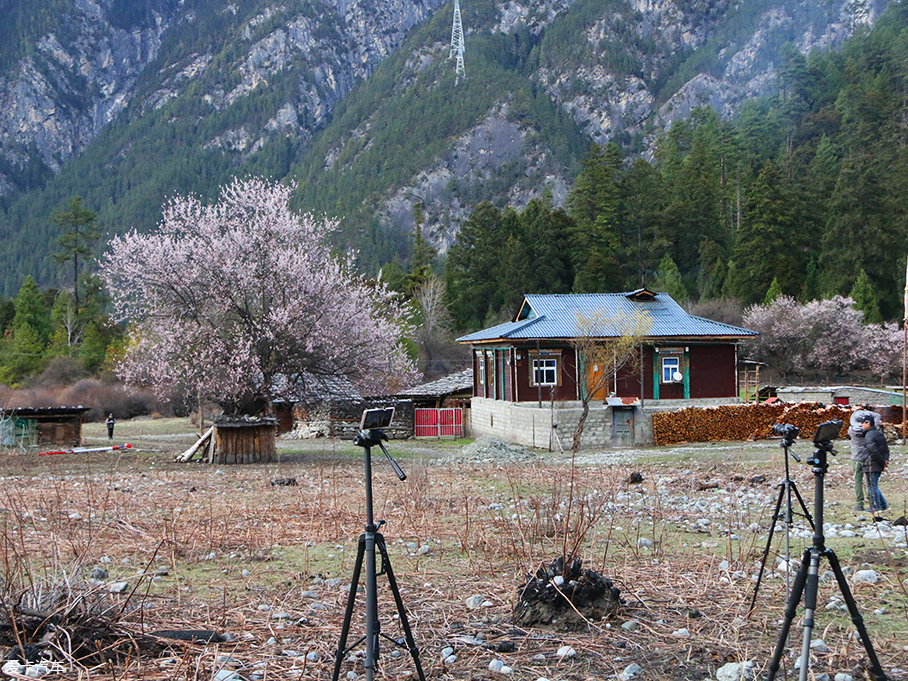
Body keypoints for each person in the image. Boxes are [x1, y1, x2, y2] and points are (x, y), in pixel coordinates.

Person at [848, 407, 880, 511]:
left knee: (858, 481)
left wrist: (857, 413)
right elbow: (877, 416)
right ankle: (873, 503)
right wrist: (866, 413)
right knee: (871, 483)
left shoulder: (851, 431)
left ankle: (859, 504)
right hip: (868, 458)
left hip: (856, 458)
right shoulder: (869, 430)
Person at [859, 414, 889, 513]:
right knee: (874, 485)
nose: (861, 425)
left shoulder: (869, 435)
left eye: (863, 423)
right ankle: (883, 504)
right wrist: (885, 460)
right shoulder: (879, 433)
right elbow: (885, 449)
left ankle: (876, 506)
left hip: (871, 463)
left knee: (871, 486)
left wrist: (880, 461)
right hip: (878, 463)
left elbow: (873, 450)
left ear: (868, 423)